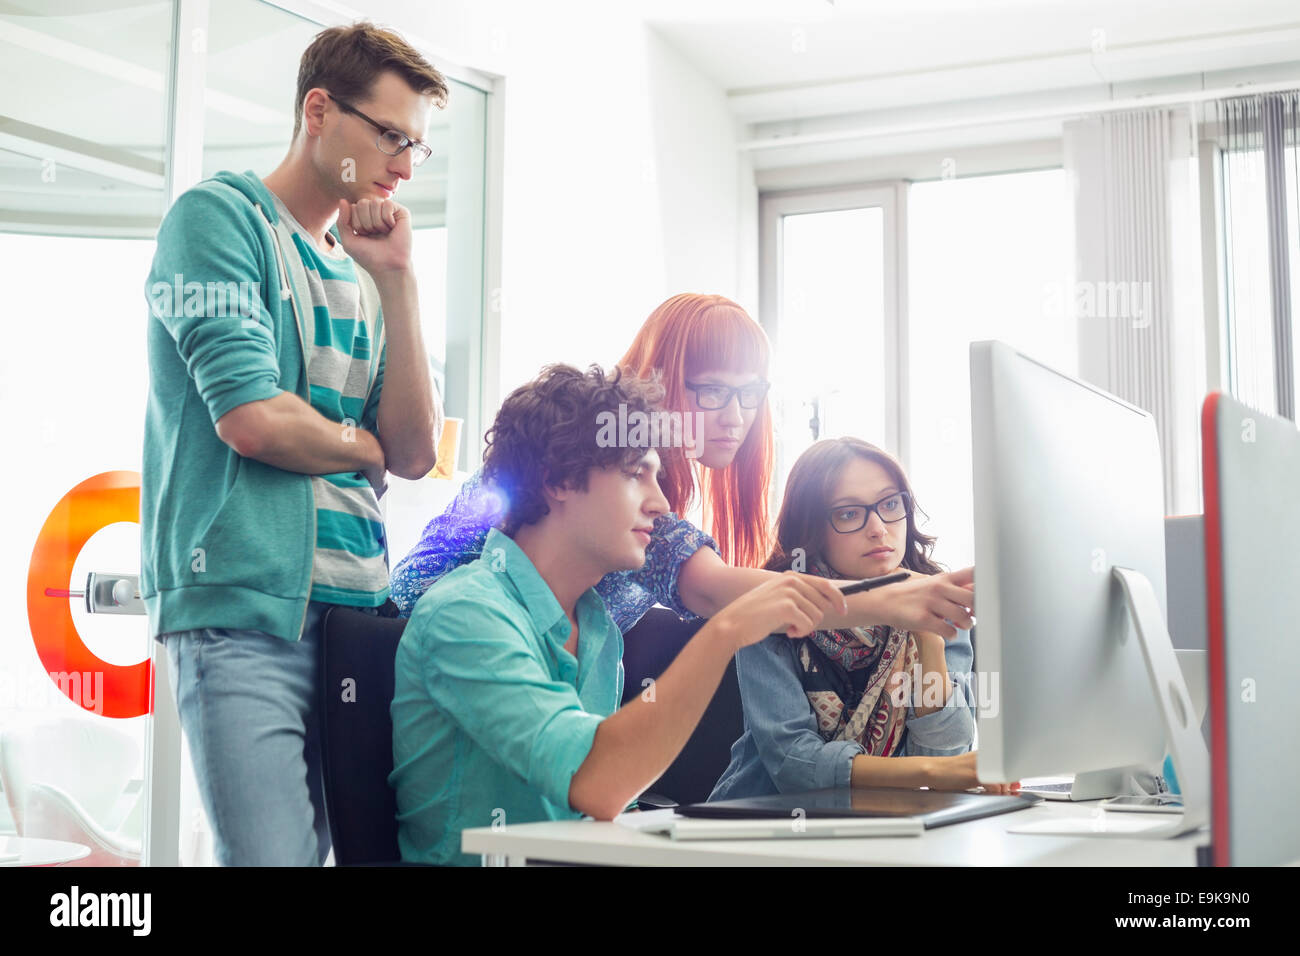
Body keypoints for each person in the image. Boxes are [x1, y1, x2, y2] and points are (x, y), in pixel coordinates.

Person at [140, 22, 446, 865]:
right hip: (243, 613)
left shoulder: (359, 268)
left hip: (357, 619)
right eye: (391, 135)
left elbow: (415, 449)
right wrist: (362, 446)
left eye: (417, 146)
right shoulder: (219, 220)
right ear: (319, 110)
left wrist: (397, 278)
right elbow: (251, 420)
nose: (405, 165)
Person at [389, 364, 848, 865]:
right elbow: (598, 783)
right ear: (558, 480)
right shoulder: (466, 612)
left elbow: (607, 816)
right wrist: (725, 632)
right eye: (636, 475)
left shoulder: (596, 627)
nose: (662, 503)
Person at [390, 293, 977, 650]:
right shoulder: (602, 464)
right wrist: (893, 598)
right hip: (430, 671)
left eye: (750, 395)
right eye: (713, 391)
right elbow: (713, 588)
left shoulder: (637, 493)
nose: (736, 417)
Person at [710, 437, 1018, 799]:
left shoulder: (938, 601)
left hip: (892, 822)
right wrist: (930, 771)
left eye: (890, 504)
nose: (878, 528)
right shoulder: (771, 608)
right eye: (849, 513)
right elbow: (795, 766)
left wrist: (929, 639)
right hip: (760, 825)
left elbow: (945, 752)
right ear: (812, 528)